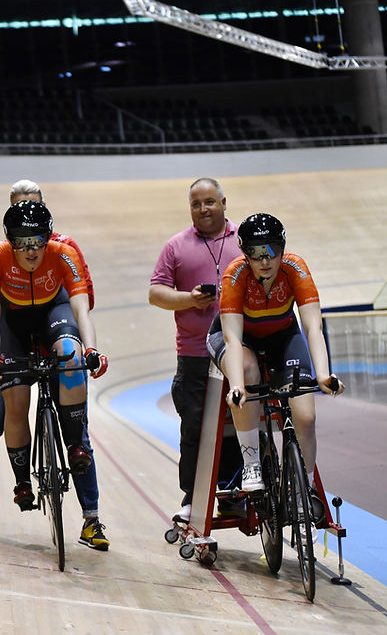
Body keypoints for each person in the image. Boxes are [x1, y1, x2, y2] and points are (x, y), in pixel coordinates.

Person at [0, 180, 110, 549]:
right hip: (15, 334)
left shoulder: (63, 249)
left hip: (53, 325)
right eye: (22, 241)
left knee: (75, 413)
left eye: (36, 239)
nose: (30, 249)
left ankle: (92, 519)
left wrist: (91, 349)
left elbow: (83, 302)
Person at [206, 213, 343, 506]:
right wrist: (238, 386)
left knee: (306, 416)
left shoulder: (295, 268)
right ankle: (251, 463)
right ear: (245, 253)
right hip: (239, 338)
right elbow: (232, 338)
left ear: (282, 248)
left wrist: (323, 376)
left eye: (272, 250)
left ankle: (305, 490)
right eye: (256, 253)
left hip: (282, 335)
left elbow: (313, 328)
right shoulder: (235, 275)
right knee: (248, 369)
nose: (265, 260)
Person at [148, 177, 243, 524]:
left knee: (238, 421)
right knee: (194, 427)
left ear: (223, 203)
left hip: (236, 351)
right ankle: (191, 497)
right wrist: (189, 299)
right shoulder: (176, 246)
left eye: (209, 202)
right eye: (196, 204)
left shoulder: (242, 240)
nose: (203, 209)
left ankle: (234, 495)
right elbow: (156, 293)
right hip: (193, 354)